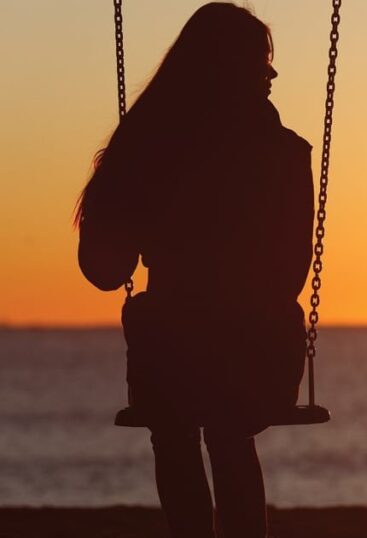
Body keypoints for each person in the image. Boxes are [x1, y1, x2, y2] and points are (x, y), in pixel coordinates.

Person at [75, 4, 313, 537]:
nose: (271, 74)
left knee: (175, 425)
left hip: (175, 355)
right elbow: (290, 274)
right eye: (260, 62)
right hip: (260, 351)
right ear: (226, 69)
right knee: (228, 432)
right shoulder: (286, 155)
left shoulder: (149, 148)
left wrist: (121, 185)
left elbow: (105, 270)